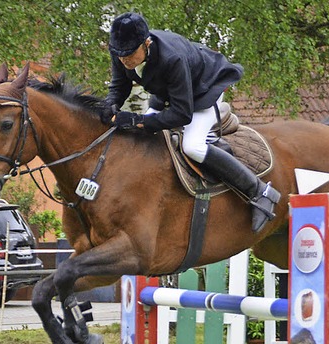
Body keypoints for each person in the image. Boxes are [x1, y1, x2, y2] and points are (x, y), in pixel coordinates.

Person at [100, 12, 280, 233]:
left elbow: (182, 114)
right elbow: (120, 85)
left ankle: (260, 191)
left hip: (203, 91)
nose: (124, 60)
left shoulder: (171, 58)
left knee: (192, 146)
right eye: (120, 55)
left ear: (147, 43)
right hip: (168, 91)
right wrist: (110, 105)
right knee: (144, 137)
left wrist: (138, 120)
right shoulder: (121, 50)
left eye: (129, 54)